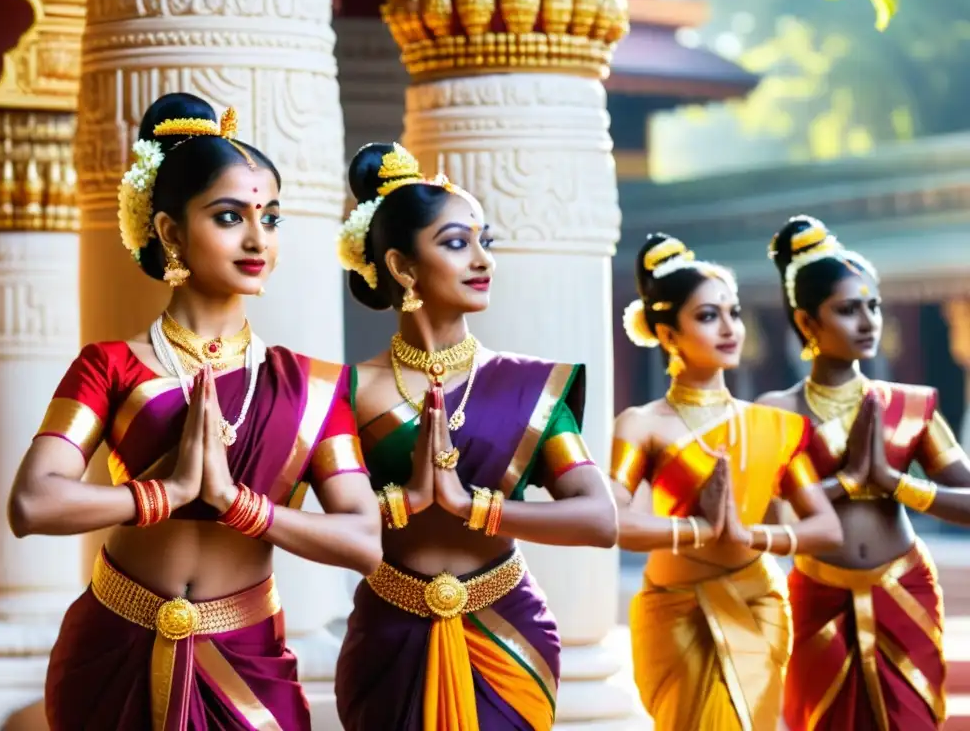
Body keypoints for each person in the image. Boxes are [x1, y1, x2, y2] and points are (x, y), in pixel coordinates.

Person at [7, 93, 382, 731]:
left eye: (271, 217)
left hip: (250, 662)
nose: (258, 238)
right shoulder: (110, 366)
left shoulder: (311, 385)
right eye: (230, 216)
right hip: (113, 650)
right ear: (171, 232)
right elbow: (32, 504)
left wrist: (241, 506)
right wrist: (168, 493)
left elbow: (363, 541)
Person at [332, 142, 618, 730]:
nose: (483, 260)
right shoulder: (351, 391)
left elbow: (600, 518)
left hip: (509, 632)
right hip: (389, 633)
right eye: (458, 243)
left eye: (486, 241)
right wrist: (405, 502)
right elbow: (321, 526)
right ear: (403, 268)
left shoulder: (529, 388)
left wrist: (474, 508)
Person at [609, 232, 844, 730]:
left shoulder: (774, 428)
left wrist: (749, 535)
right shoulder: (643, 424)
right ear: (668, 334)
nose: (729, 327)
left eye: (732, 312)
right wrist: (696, 528)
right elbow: (610, 521)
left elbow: (826, 529)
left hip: (757, 602)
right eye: (708, 315)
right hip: (675, 612)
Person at [759, 215, 970, 731]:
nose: (867, 320)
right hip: (816, 595)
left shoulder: (910, 407)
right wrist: (848, 483)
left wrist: (895, 483)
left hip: (905, 590)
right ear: (808, 323)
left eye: (873, 306)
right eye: (847, 309)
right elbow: (765, 522)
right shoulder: (777, 413)